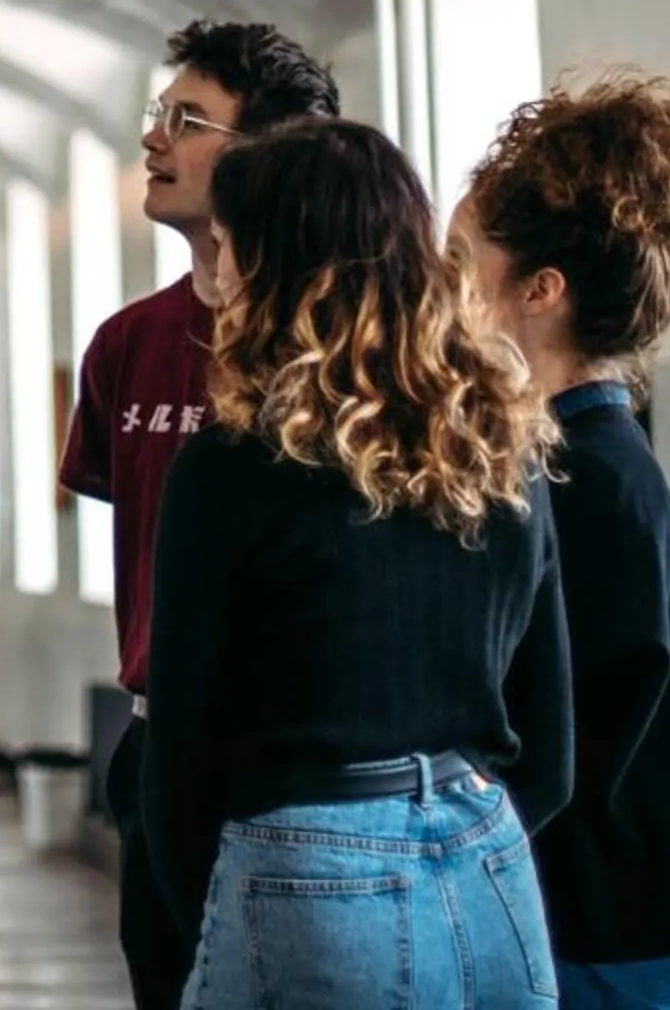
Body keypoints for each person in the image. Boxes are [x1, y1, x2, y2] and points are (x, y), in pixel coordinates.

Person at [140, 117, 573, 1007]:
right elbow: (555, 745)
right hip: (491, 867)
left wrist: (229, 903)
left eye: (224, 244)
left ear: (272, 263)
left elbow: (179, 752)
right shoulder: (503, 449)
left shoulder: (233, 465)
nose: (213, 272)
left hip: (312, 869)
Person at [58, 20, 340, 1010]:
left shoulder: (336, 340)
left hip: (301, 767)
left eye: (187, 119)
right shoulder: (125, 344)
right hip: (157, 740)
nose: (154, 139)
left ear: (269, 154)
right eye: (157, 115)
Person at [457, 75, 670, 1010]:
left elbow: (570, 736)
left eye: (461, 263)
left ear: (540, 290)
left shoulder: (593, 476)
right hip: (602, 913)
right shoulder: (574, 458)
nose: (441, 292)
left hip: (612, 926)